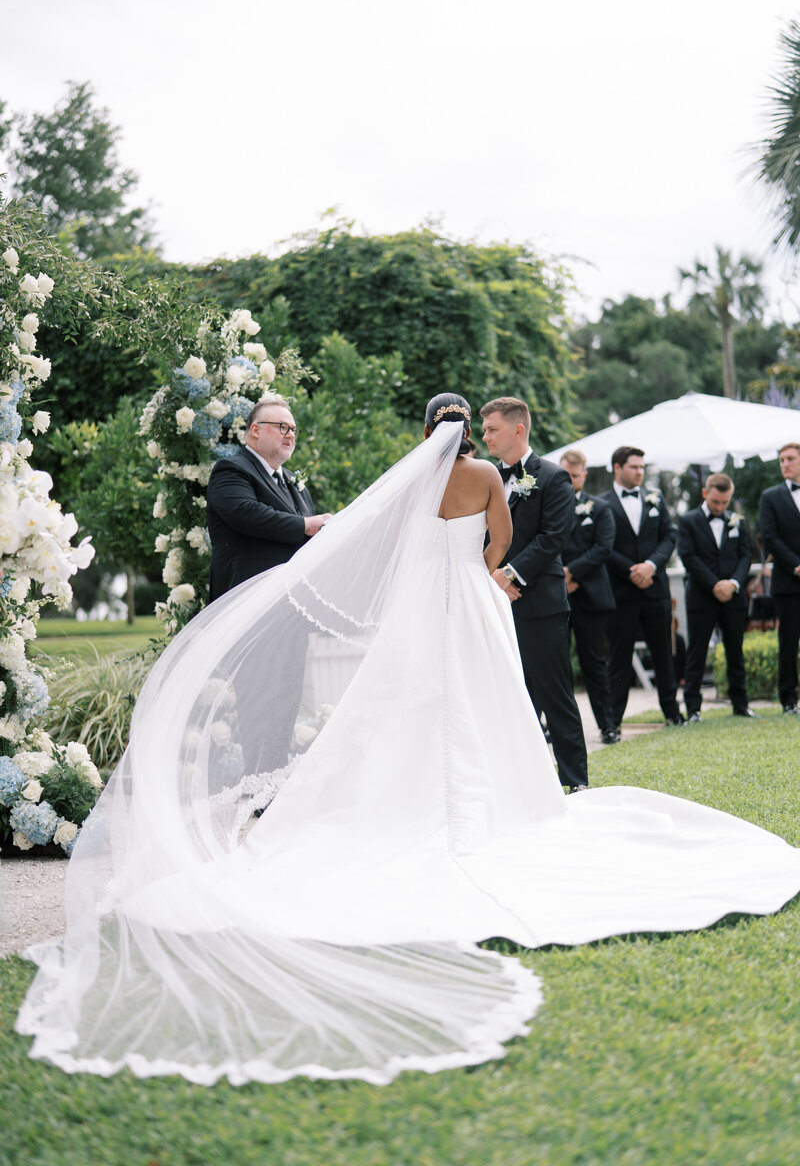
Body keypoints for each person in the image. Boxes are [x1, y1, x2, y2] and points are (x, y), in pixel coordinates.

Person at [17, 396, 800, 1087]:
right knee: (490, 705)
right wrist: (471, 565)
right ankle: (504, 806)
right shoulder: (490, 477)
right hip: (471, 601)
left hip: (419, 615)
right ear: (471, 431)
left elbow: (382, 552)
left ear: (427, 432)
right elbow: (498, 543)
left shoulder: (410, 485)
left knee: (400, 710)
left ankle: (391, 803)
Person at [481, 397, 589, 791]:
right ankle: (519, 783)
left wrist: (509, 575)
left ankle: (575, 780)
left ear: (518, 429)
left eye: (492, 429)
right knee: (508, 696)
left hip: (540, 605)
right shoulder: (488, 475)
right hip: (493, 604)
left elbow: (553, 537)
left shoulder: (554, 477)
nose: (486, 437)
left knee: (554, 693)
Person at [206, 398, 329, 601]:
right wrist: (305, 525)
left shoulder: (294, 481)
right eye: (283, 427)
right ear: (256, 430)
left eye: (293, 430)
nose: (290, 435)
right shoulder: (231, 470)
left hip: (292, 602)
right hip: (246, 598)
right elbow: (245, 512)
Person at [601, 446, 684, 729]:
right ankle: (613, 721)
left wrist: (651, 565)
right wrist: (631, 571)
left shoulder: (655, 499)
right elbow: (603, 546)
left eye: (642, 467)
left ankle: (672, 712)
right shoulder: (602, 504)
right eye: (634, 467)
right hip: (621, 593)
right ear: (617, 467)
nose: (640, 472)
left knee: (663, 654)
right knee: (619, 658)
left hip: (655, 589)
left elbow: (669, 536)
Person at [677, 473, 755, 722]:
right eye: (715, 503)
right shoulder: (688, 520)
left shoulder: (737, 520)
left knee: (736, 651)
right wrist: (714, 585)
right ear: (704, 494)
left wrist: (733, 583)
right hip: (702, 595)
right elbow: (688, 556)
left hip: (733, 596)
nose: (720, 507)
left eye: (724, 503)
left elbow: (746, 555)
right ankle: (693, 709)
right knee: (697, 654)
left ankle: (741, 705)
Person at [559, 449, 618, 744]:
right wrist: (559, 576)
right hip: (555, 596)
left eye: (574, 475)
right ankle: (548, 726)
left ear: (584, 475)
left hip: (590, 597)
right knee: (555, 664)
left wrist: (572, 574)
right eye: (564, 474)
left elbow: (602, 548)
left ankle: (608, 725)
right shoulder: (549, 505)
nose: (568, 480)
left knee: (594, 663)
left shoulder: (600, 507)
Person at [759, 442, 800, 714]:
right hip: (788, 582)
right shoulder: (770, 497)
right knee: (788, 641)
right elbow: (769, 537)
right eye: (781, 460)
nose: (784, 464)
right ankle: (788, 700)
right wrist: (796, 565)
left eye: (790, 459)